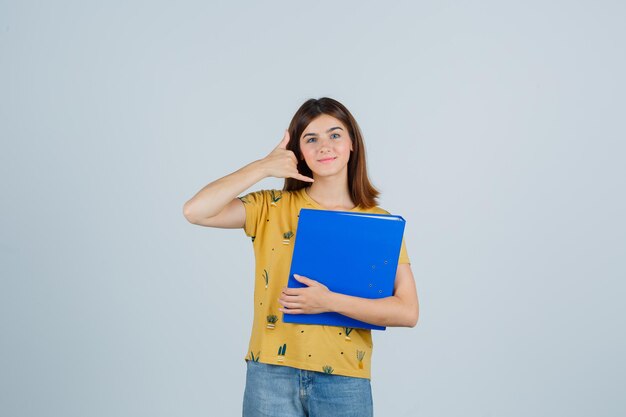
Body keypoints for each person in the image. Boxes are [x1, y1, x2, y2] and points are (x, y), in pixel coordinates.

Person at [183, 97, 419, 417]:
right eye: (311, 138)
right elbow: (195, 211)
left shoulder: (377, 223)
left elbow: (407, 311)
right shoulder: (271, 207)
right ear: (299, 152)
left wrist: (329, 301)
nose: (324, 146)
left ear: (352, 144)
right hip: (270, 375)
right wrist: (263, 166)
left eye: (335, 135)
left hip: (345, 379)